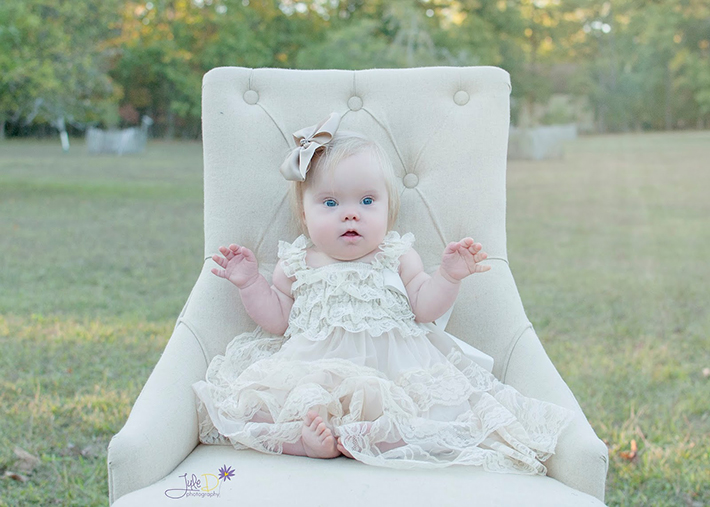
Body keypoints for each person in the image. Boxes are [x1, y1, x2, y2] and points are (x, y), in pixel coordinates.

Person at [192, 112, 574, 473]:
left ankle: (369, 439)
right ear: (305, 215)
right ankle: (309, 442)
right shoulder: (297, 261)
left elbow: (424, 308)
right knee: (264, 408)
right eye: (330, 202)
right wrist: (250, 282)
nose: (350, 214)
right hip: (314, 368)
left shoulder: (396, 255)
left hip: (393, 372)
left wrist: (448, 276)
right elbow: (277, 320)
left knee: (422, 419)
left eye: (367, 201)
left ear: (389, 210)